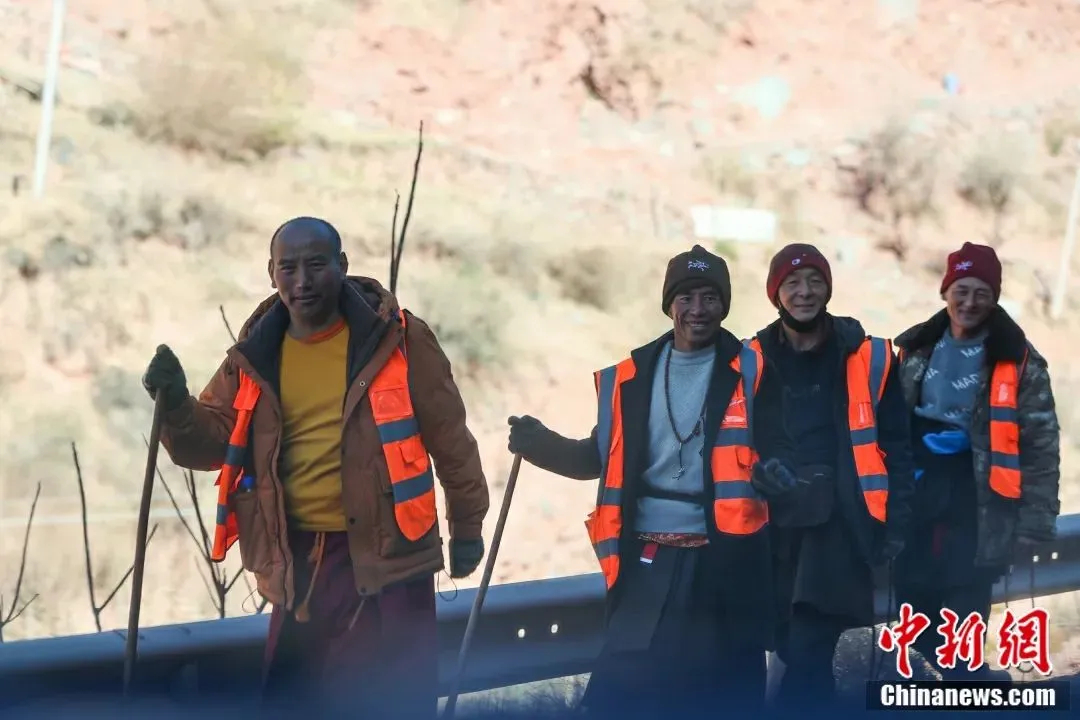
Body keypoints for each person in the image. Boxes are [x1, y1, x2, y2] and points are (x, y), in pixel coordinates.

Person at [141, 216, 490, 718]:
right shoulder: (255, 354)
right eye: (288, 268)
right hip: (298, 562)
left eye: (316, 265)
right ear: (271, 273)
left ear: (342, 265)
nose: (302, 281)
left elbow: (451, 440)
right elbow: (210, 444)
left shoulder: (399, 339)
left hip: (391, 558)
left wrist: (468, 527)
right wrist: (175, 404)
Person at [507, 244, 796, 719]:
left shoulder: (754, 371)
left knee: (723, 697)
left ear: (724, 306)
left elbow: (783, 449)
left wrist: (778, 475)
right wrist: (538, 444)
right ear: (669, 305)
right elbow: (594, 458)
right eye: (686, 298)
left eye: (710, 298)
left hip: (725, 564)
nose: (698, 310)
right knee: (625, 696)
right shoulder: (631, 378)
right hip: (647, 565)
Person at [746, 243, 916, 710]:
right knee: (794, 651)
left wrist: (897, 525)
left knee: (809, 646)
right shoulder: (750, 358)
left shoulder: (869, 355)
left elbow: (898, 448)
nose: (804, 292)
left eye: (815, 281)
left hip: (841, 527)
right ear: (776, 294)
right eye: (792, 283)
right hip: (774, 527)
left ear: (828, 288)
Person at [893, 242, 1060, 681]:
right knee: (914, 613)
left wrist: (1035, 524)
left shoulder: (1019, 358)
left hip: (980, 506)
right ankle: (968, 683)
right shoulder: (915, 347)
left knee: (964, 615)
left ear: (995, 297)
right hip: (918, 496)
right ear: (945, 291)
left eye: (981, 293)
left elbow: (1041, 447)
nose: (969, 302)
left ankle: (970, 687)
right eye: (961, 290)